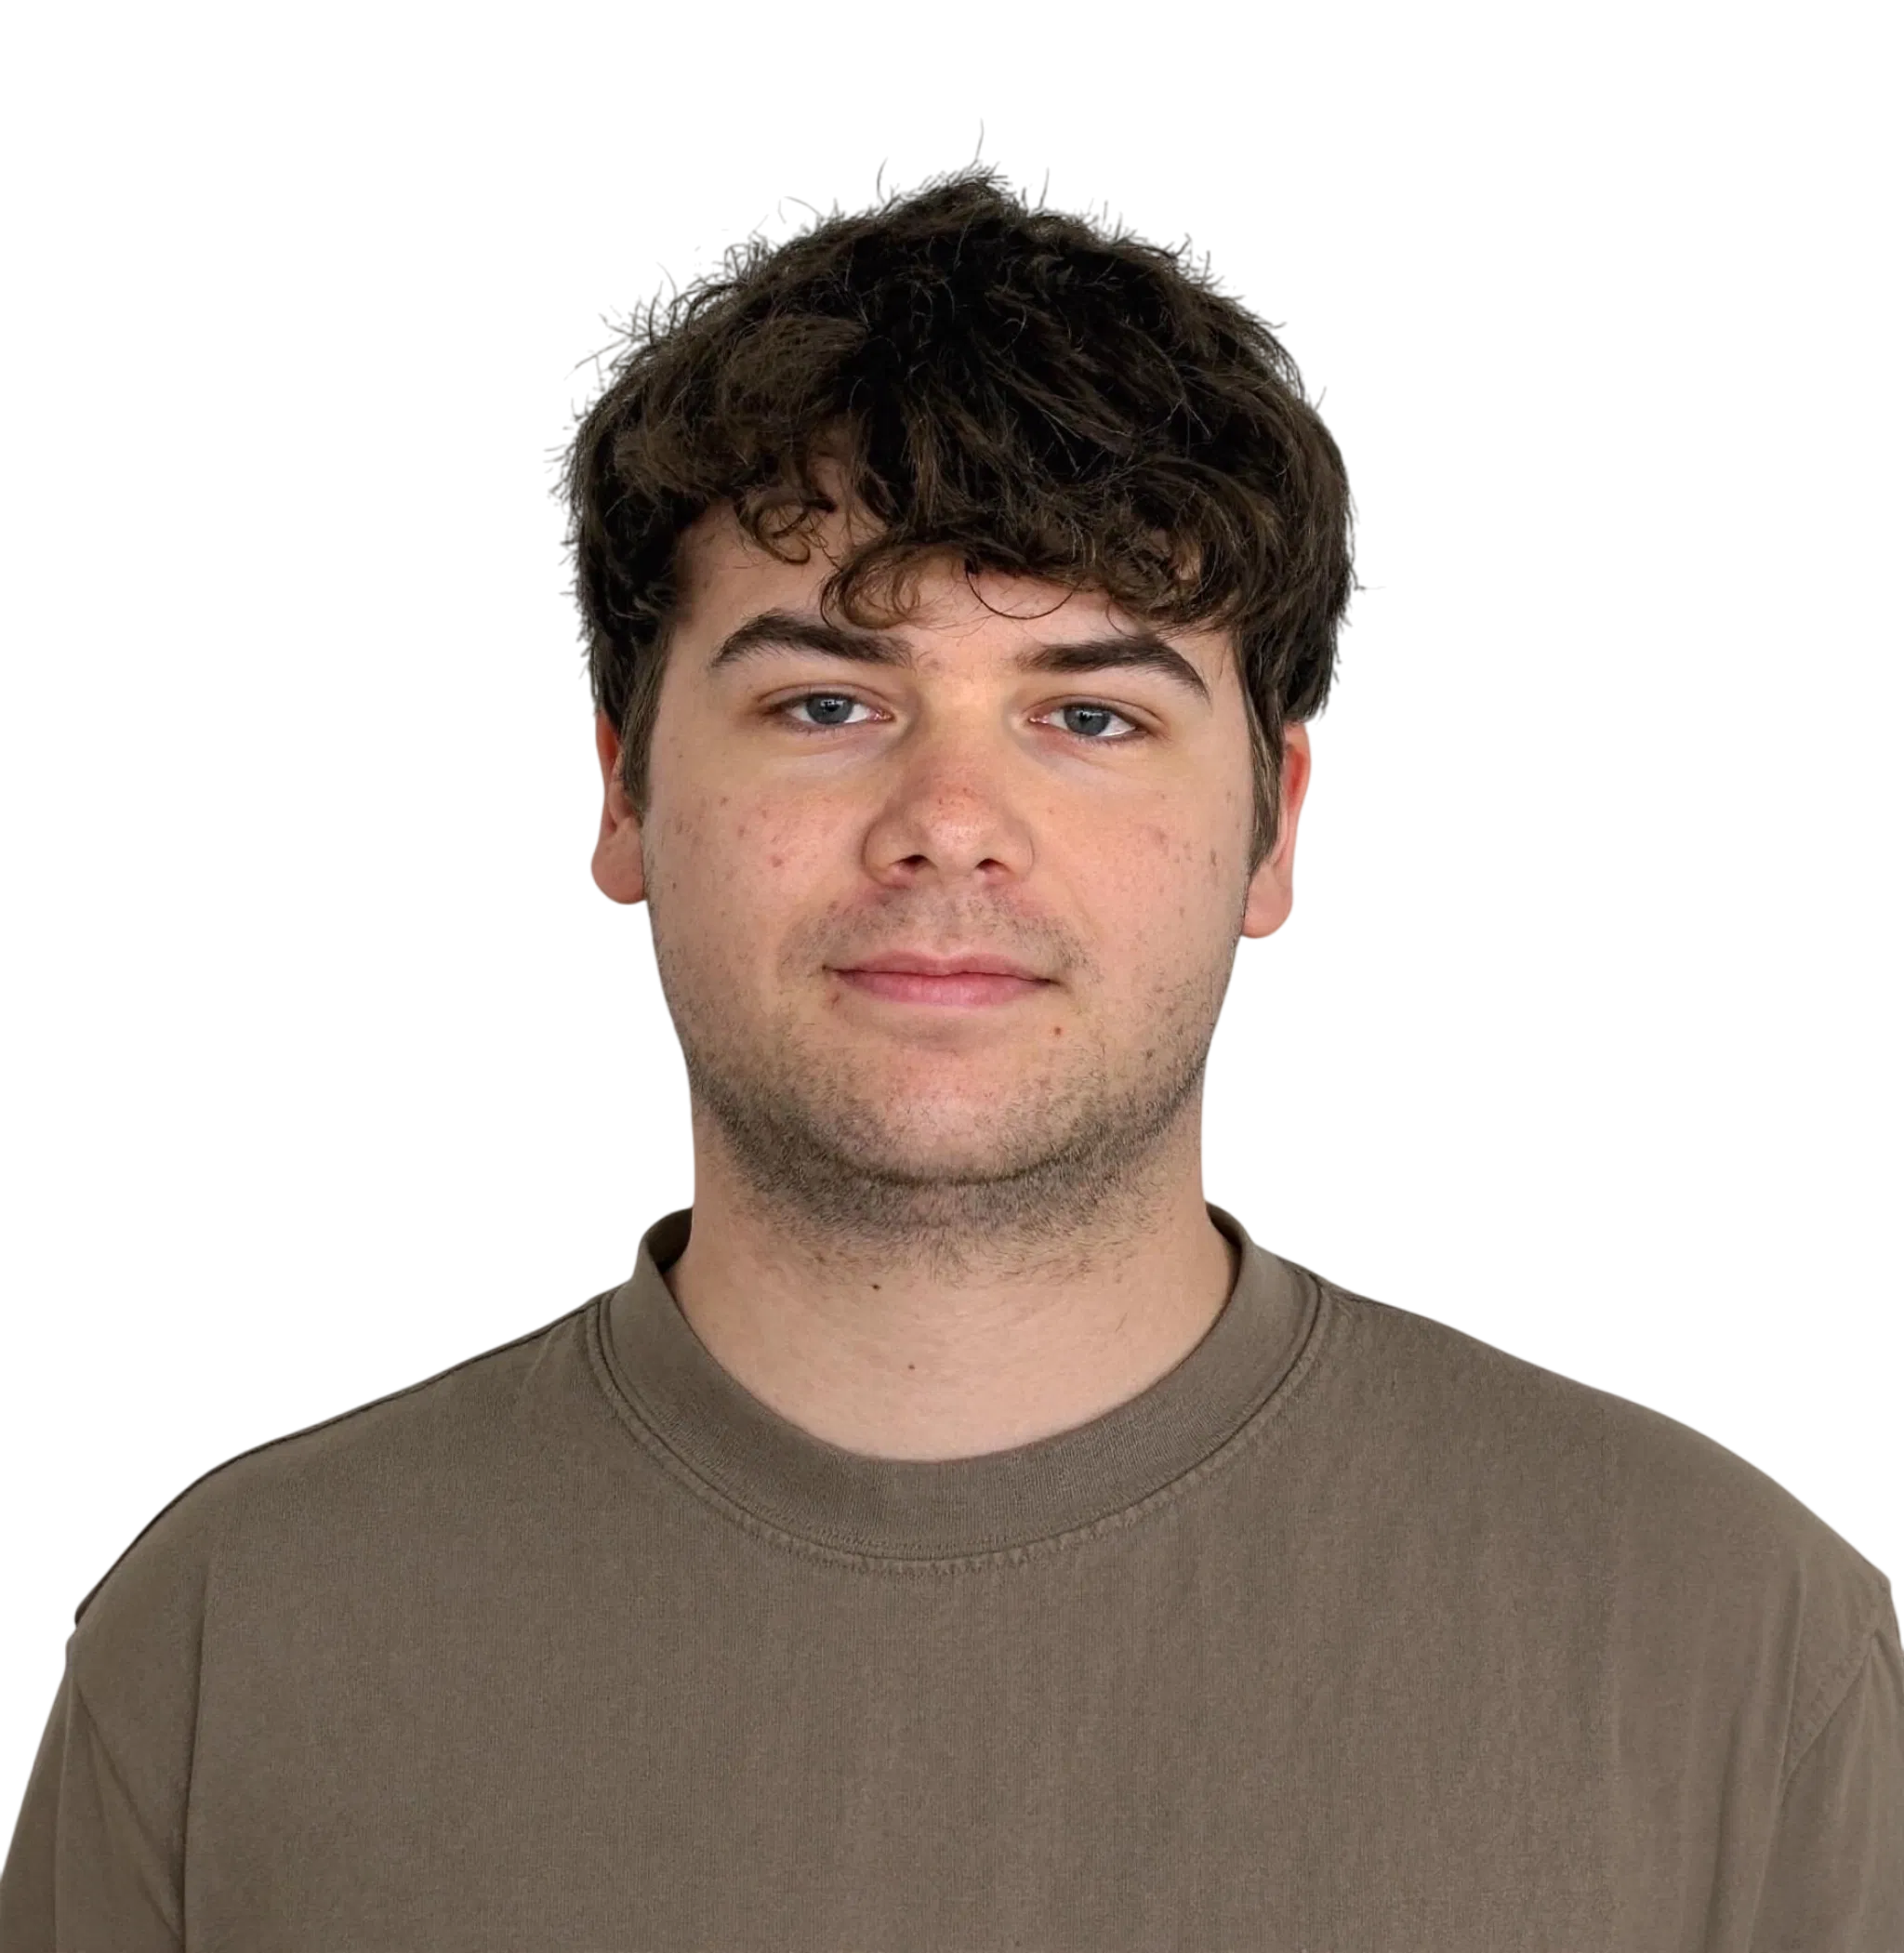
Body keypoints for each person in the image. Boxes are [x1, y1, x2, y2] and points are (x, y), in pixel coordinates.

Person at [5, 175, 1897, 1951]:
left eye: (1091, 715)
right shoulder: (231, 1645)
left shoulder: (1734, 1648)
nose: (950, 825)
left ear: (1273, 835)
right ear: (625, 803)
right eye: (829, 700)